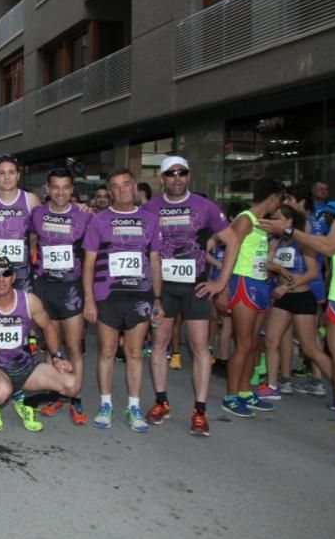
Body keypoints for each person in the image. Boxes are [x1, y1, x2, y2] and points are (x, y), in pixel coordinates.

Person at [259, 165, 335, 471]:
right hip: (326, 300)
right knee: (275, 339)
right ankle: (275, 383)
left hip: (325, 299)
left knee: (326, 360)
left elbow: (322, 256)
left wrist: (286, 234)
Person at [142, 156, 240, 436]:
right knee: (159, 344)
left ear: (188, 176)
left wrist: (220, 281)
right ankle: (161, 402)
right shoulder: (151, 208)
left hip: (196, 286)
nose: (176, 178)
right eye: (171, 174)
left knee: (199, 346)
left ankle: (200, 410)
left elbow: (232, 241)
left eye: (181, 173)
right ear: (162, 178)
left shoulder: (205, 206)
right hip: (163, 290)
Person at [82, 169, 163, 433]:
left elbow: (154, 261)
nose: (121, 190)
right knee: (106, 351)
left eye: (126, 185)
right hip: (107, 296)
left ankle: (134, 406)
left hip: (140, 296)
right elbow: (89, 263)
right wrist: (89, 300)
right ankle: (105, 404)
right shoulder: (99, 220)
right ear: (110, 191)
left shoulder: (150, 220)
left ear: (134, 187)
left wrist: (158, 299)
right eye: (115, 187)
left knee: (134, 353)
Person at [0, 256, 77, 433]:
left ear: (13, 277)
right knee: (0, 393)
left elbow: (48, 326)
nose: (1, 280)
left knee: (71, 384)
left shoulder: (29, 301)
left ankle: (27, 402)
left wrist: (56, 357)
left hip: (23, 365)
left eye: (6, 273)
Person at [30, 167, 93, 424]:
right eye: (55, 187)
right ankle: (56, 393)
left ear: (72, 190)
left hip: (71, 290)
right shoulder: (37, 214)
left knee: (74, 347)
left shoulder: (84, 215)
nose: (60, 192)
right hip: (46, 286)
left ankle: (76, 399)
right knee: (51, 346)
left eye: (65, 187)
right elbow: (30, 238)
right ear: (47, 189)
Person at [221, 178, 285, 418]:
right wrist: (224, 289)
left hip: (260, 284)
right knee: (244, 343)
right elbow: (231, 253)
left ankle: (245, 391)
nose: (278, 207)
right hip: (243, 283)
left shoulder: (261, 224)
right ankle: (230, 396)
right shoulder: (244, 220)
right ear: (272, 197)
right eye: (278, 201)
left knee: (253, 343)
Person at [259, 205, 331, 401]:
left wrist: (287, 287)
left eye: (278, 218)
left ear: (289, 221)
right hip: (282, 299)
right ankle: (273, 385)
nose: (274, 220)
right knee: (271, 340)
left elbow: (312, 273)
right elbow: (267, 264)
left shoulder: (303, 242)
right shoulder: (277, 242)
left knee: (309, 348)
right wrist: (276, 268)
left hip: (301, 297)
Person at [0, 154, 41, 290]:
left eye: (11, 172)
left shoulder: (31, 200)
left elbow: (36, 234)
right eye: (2, 173)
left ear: (18, 175)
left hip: (22, 273)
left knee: (23, 309)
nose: (7, 177)